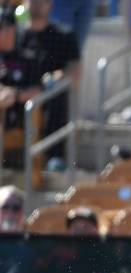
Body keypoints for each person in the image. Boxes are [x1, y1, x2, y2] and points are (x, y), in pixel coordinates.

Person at [18, 0, 81, 163]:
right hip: (18, 98)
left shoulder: (63, 35)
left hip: (47, 99)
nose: (38, 4)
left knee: (57, 97)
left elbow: (75, 72)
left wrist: (52, 81)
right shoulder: (15, 36)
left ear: (51, 4)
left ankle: (54, 157)